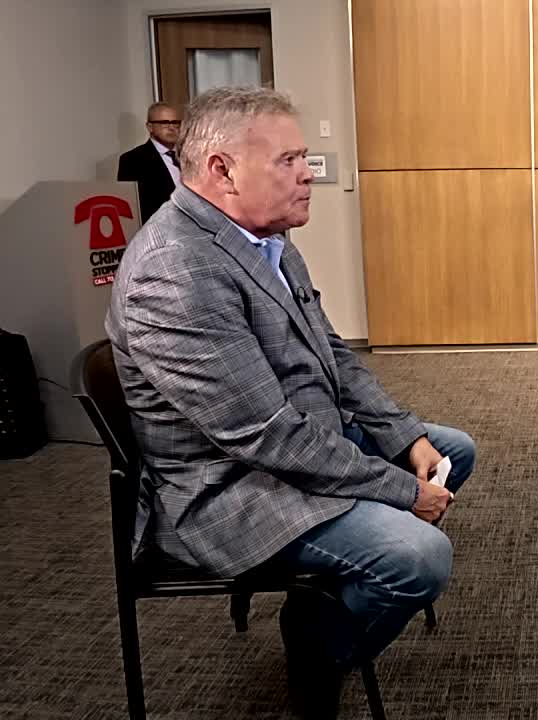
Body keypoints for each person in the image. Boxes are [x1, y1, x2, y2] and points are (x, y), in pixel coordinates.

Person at [105, 86, 476, 719]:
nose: (309, 174)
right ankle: (317, 650)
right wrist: (399, 488)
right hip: (231, 490)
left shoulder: (263, 238)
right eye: (289, 160)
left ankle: (319, 600)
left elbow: (333, 356)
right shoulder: (175, 272)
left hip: (299, 445)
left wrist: (405, 435)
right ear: (222, 170)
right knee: (419, 557)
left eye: (304, 157)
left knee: (449, 451)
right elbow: (265, 436)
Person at [117, 101, 184, 222]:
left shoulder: (190, 155)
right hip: (158, 231)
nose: (172, 127)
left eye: (176, 122)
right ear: (150, 127)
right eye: (164, 123)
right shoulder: (132, 160)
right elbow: (130, 207)